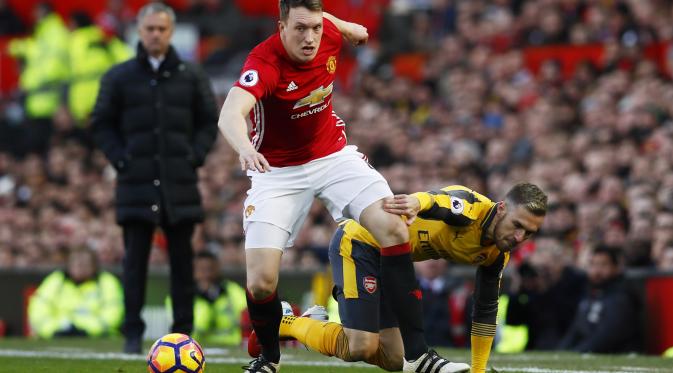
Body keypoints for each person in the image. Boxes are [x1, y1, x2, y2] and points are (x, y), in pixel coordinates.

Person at [218, 1, 444, 371]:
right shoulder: (264, 62)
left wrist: (348, 26)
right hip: (277, 170)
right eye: (300, 29)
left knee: (393, 226)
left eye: (316, 29)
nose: (310, 38)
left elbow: (327, 23)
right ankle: (269, 358)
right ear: (281, 27)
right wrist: (244, 148)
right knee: (260, 283)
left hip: (332, 156)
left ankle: (418, 353)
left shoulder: (329, 33)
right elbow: (230, 113)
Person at [254, 183, 547, 373]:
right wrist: (417, 203)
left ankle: (305, 324)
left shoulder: (497, 254)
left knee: (396, 360)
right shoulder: (471, 211)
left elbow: (485, 310)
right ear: (502, 209)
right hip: (360, 244)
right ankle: (287, 323)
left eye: (529, 233)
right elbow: (442, 201)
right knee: (361, 347)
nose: (520, 237)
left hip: (392, 268)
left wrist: (479, 370)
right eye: (517, 225)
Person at [91, 3, 218, 354]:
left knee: (183, 264)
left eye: (161, 29)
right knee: (135, 263)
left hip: (179, 182)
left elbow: (210, 121)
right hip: (136, 182)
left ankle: (183, 334)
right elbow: (100, 122)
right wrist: (121, 159)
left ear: (171, 31)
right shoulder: (119, 76)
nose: (155, 35)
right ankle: (132, 334)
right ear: (140, 30)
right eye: (150, 29)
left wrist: (194, 156)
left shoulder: (191, 75)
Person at [558, 245, 641, 353]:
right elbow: (576, 329)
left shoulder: (622, 297)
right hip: (590, 353)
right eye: (593, 264)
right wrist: (560, 352)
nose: (597, 270)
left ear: (616, 268)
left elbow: (607, 335)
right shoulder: (590, 294)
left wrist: (577, 352)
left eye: (603, 265)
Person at [28, 248, 123, 338]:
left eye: (84, 263)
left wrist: (85, 330)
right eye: (76, 263)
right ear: (68, 265)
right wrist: (56, 330)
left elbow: (112, 315)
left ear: (94, 266)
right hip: (57, 337)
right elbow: (39, 311)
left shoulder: (106, 282)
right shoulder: (56, 280)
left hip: (98, 339)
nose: (79, 266)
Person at [167, 251, 247, 346]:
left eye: (210, 269)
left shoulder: (233, 291)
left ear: (217, 269)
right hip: (193, 346)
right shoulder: (181, 295)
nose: (206, 274)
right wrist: (206, 298)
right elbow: (189, 327)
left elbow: (245, 319)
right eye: (202, 269)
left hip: (232, 345)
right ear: (192, 270)